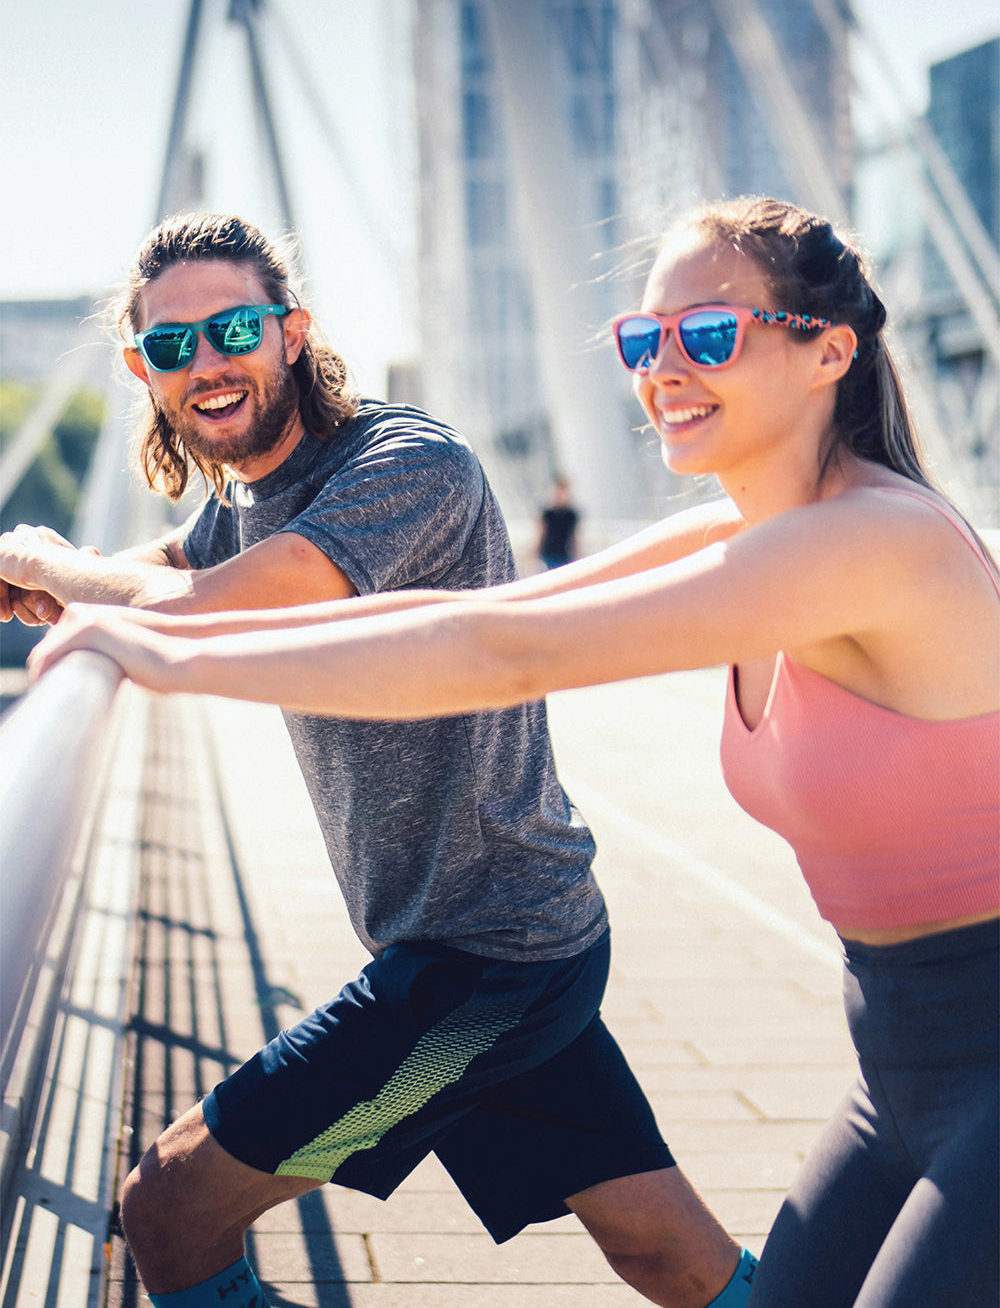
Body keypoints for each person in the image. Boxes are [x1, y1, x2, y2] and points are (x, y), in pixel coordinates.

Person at [33, 195, 1000, 1308]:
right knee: (678, 1260)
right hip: (897, 1066)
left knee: (169, 1204)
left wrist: (161, 644)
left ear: (829, 350)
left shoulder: (873, 542)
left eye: (709, 333)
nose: (664, 369)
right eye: (643, 339)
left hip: (922, 1045)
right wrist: (120, 606)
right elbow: (475, 625)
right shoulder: (744, 528)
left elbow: (501, 651)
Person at [538, 474, 579, 569]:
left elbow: (574, 537)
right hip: (548, 555)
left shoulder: (571, 515)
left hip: (564, 555)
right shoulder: (548, 514)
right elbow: (541, 534)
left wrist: (576, 556)